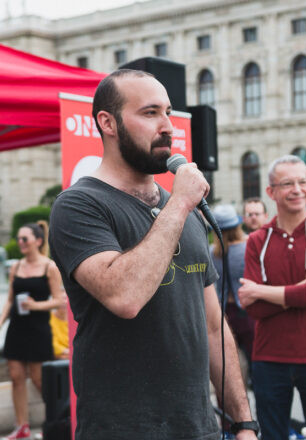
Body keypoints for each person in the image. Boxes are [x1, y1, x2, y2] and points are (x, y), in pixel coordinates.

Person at [48, 69, 258, 440]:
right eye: (150, 113)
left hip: (199, 428)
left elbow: (212, 325)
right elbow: (124, 296)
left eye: (169, 112)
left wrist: (243, 422)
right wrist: (178, 205)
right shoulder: (78, 205)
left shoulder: (187, 210)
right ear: (107, 123)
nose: (168, 126)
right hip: (122, 430)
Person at [238, 154, 306, 440]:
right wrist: (300, 291)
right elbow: (254, 309)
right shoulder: (257, 241)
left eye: (303, 181)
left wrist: (261, 290)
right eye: (287, 183)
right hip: (270, 357)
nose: (297, 189)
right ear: (271, 191)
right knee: (272, 436)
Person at [0, 221, 64, 440]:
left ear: (38, 241)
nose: (20, 242)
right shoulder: (16, 267)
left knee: (38, 379)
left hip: (38, 329)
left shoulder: (50, 267)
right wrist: (0, 322)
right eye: (18, 238)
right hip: (17, 328)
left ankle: (57, 422)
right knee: (17, 377)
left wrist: (36, 305)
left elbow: (58, 301)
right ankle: (22, 426)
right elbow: (9, 300)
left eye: (24, 239)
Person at [210, 204, 254, 378]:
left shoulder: (212, 252)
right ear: (237, 225)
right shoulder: (249, 247)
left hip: (222, 314)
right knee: (255, 363)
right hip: (247, 311)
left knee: (227, 368)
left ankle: (226, 405)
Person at [49, 291, 69, 360]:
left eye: (66, 298)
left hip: (70, 355)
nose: (64, 302)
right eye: (62, 298)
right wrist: (65, 351)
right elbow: (51, 342)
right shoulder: (49, 319)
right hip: (55, 357)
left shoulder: (75, 320)